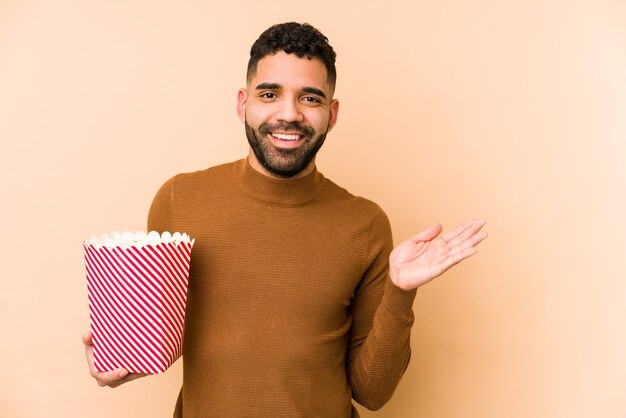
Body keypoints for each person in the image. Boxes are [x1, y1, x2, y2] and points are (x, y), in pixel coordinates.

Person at [83, 22, 487, 417]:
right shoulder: (179, 200)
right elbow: (161, 335)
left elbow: (373, 393)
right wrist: (118, 358)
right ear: (244, 103)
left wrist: (400, 292)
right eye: (270, 94)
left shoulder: (365, 225)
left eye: (310, 98)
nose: (288, 114)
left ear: (332, 113)